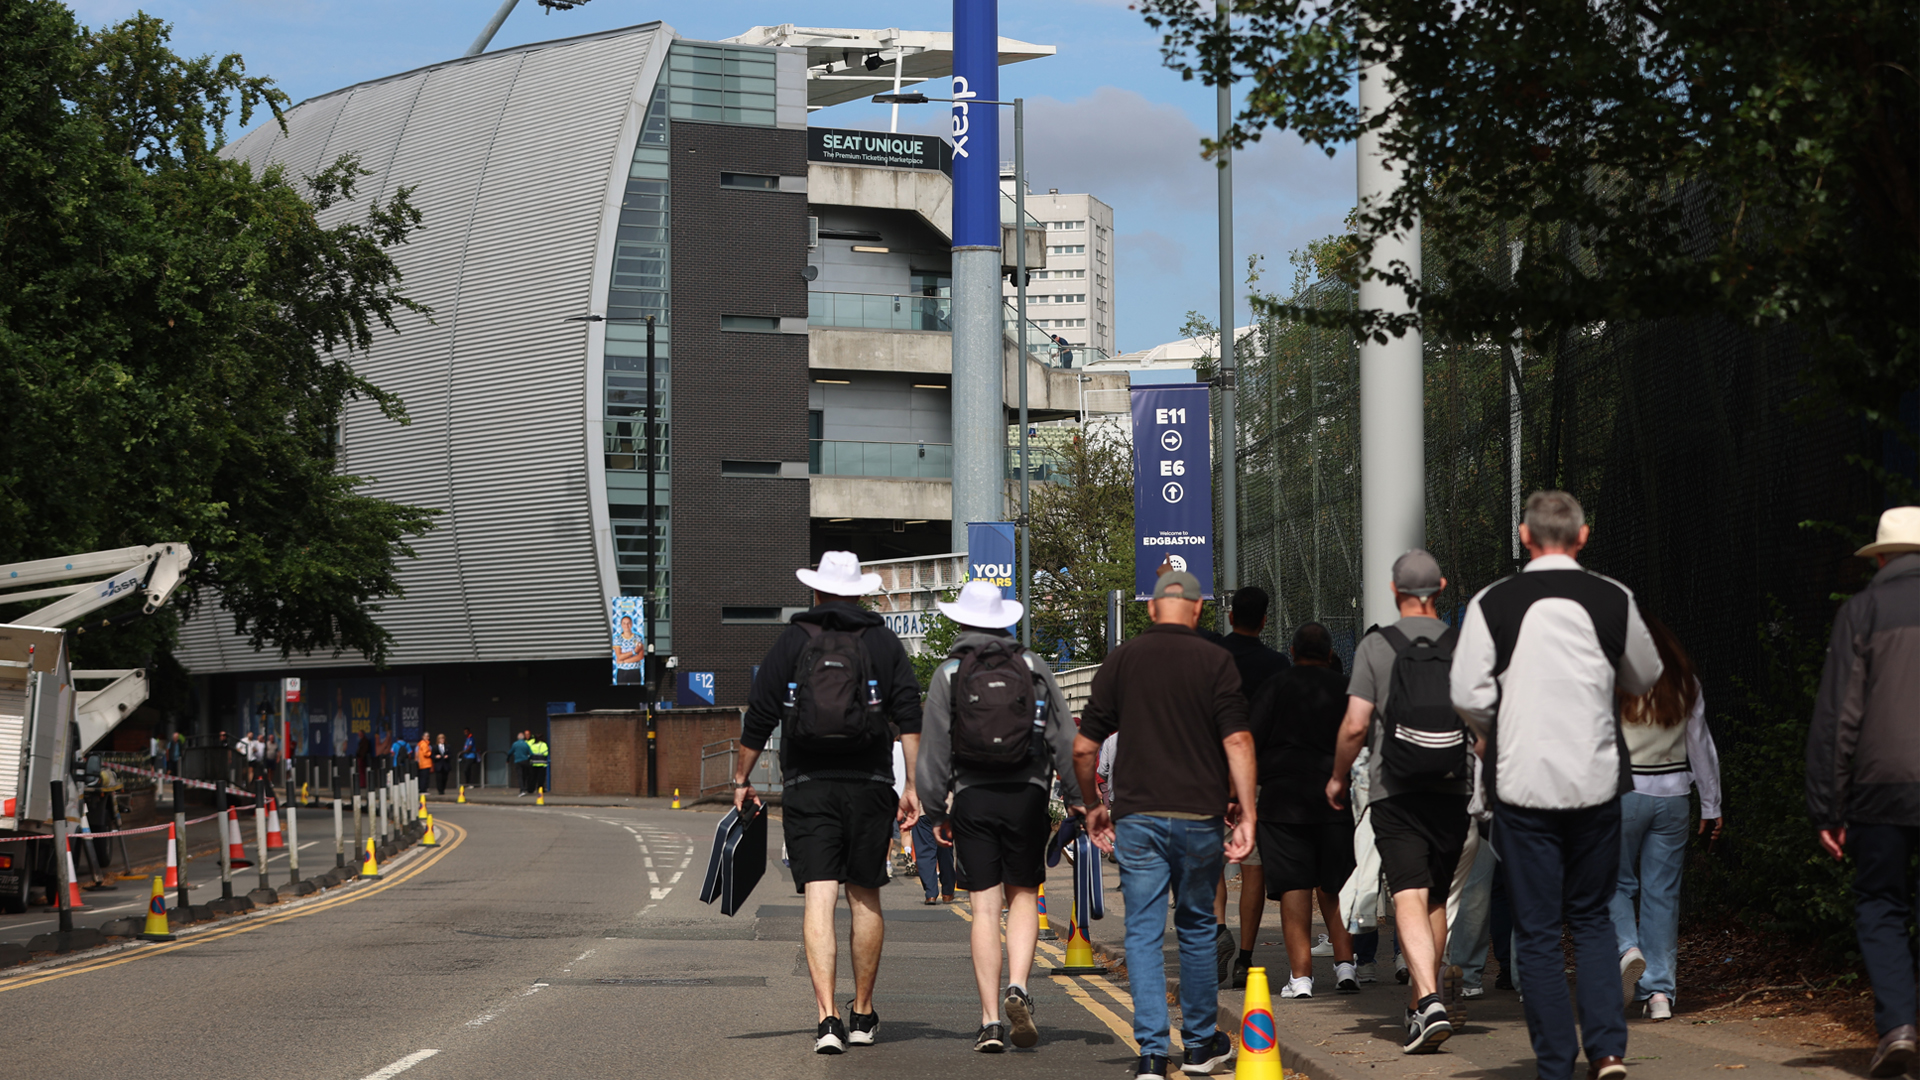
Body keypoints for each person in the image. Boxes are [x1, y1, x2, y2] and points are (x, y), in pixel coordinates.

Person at [1452, 491, 1663, 1080]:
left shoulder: (1493, 601)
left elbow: (1466, 691)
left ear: (1524, 536)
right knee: (1592, 915)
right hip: (1596, 779)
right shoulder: (1611, 598)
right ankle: (1608, 1051)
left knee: (1538, 928)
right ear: (1583, 536)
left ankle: (1553, 1062)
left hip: (1521, 783)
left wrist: (1497, 726)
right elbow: (1646, 673)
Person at [734, 551, 923, 1056]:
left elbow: (760, 714)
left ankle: (827, 1020)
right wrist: (913, 786)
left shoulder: (795, 639)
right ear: (859, 593)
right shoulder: (881, 640)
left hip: (807, 783)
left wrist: (740, 778)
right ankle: (862, 1014)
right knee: (865, 895)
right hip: (869, 783)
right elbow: (908, 713)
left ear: (815, 592)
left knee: (819, 895)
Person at [1073, 569, 1256, 1079]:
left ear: (1152, 609)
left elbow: (1085, 747)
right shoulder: (1217, 660)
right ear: (1197, 611)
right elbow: (1238, 741)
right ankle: (1199, 1046)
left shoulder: (1123, 660)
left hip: (1138, 819)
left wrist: (1093, 805)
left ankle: (1153, 1053)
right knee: (1197, 927)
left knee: (1144, 933)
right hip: (1200, 817)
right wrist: (1247, 809)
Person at [916, 579, 1083, 1053]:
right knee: (1024, 895)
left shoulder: (949, 672)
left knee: (984, 908)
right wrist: (1074, 797)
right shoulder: (1032, 667)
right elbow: (1064, 736)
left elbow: (933, 752)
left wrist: (935, 810)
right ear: (1006, 620)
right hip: (1027, 794)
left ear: (962, 621)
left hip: (972, 796)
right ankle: (1019, 986)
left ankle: (990, 1020)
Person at [1328, 548, 1472, 1053]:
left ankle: (1428, 999)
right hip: (1454, 787)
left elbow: (1354, 724)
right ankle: (1419, 1007)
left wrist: (1338, 776)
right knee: (1434, 897)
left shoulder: (1378, 646)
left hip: (1397, 787)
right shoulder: (1464, 644)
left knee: (1406, 891)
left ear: (1395, 593)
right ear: (1442, 587)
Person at [1805, 505, 1920, 1079]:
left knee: (1880, 906)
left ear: (1880, 558)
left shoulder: (1863, 611)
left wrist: (1827, 804)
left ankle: (1899, 1026)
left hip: (1882, 788)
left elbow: (1838, 717)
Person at [1610, 608, 1723, 1021]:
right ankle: (1659, 994)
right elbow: (1702, 745)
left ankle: (1628, 948)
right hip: (1675, 795)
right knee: (1662, 894)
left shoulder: (1614, 678)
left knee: (1611, 880)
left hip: (1623, 793)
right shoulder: (1684, 681)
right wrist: (1712, 805)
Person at [1249, 621, 1357, 998]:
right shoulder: (1346, 689)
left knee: (1295, 885)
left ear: (1292, 653)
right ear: (1329, 655)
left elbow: (1250, 739)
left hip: (1283, 800)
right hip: (1335, 796)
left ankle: (1302, 977)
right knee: (1336, 883)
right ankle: (1346, 967)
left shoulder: (1275, 687)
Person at [1212, 586, 1291, 986]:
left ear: (1229, 617)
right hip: (1256, 776)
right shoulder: (1277, 665)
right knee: (1252, 867)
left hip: (1211, 774)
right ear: (1264, 619)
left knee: (1210, 864)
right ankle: (1245, 956)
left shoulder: (1214, 658)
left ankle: (1217, 933)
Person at [510, 731, 533, 796]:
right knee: (525, 775)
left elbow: (510, 752)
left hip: (518, 761)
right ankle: (525, 787)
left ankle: (522, 789)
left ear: (517, 737)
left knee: (520, 775)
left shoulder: (515, 744)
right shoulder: (526, 744)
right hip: (525, 761)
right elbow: (531, 753)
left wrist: (508, 759)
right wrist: (528, 758)